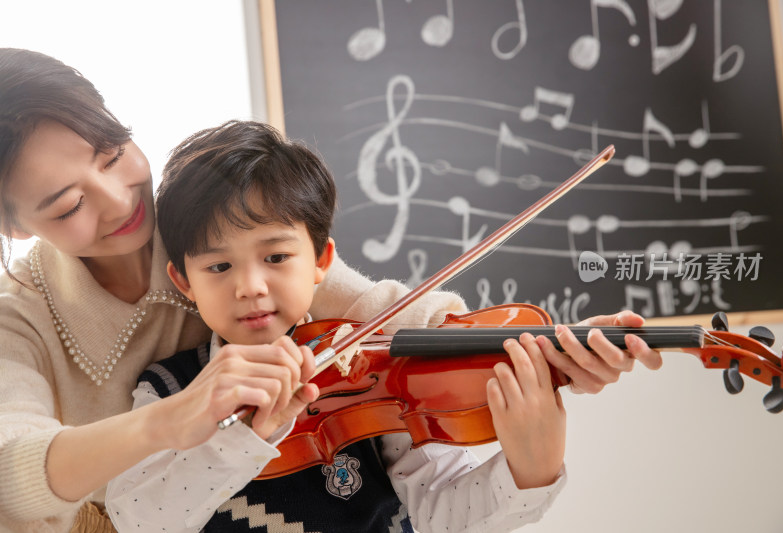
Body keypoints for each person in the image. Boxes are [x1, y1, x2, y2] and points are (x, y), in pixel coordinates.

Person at [0, 48, 660, 533]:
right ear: (15, 224)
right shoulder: (28, 322)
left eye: (114, 152)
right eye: (66, 204)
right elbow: (27, 474)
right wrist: (173, 420)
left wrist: (535, 351)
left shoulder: (208, 216)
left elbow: (377, 310)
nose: (120, 201)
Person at [106, 120, 569, 532]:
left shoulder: (366, 366)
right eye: (219, 267)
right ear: (184, 282)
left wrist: (530, 471)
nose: (249, 286)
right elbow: (138, 518)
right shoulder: (166, 389)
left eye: (276, 257)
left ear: (321, 260)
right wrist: (238, 439)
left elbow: (440, 515)